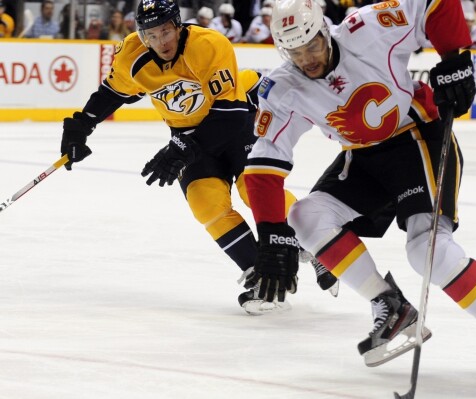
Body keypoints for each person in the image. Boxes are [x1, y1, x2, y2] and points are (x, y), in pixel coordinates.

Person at [242, 0, 476, 380]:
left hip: (417, 136)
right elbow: (263, 164)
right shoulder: (284, 87)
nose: (306, 59)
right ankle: (391, 305)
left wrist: (455, 57)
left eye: (312, 46)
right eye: (295, 51)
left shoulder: (366, 28)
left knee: (426, 251)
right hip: (363, 157)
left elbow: (434, 4)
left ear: (325, 30)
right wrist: (272, 235)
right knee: (305, 216)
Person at [59, 0, 336, 315]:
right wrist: (81, 125)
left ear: (178, 25)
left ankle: (317, 243)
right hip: (189, 136)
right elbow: (113, 92)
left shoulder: (208, 44)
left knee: (253, 189)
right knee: (206, 204)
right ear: (141, 35)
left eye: (166, 31)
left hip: (234, 125)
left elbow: (229, 114)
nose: (161, 41)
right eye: (152, 34)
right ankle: (261, 276)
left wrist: (180, 147)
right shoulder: (132, 55)